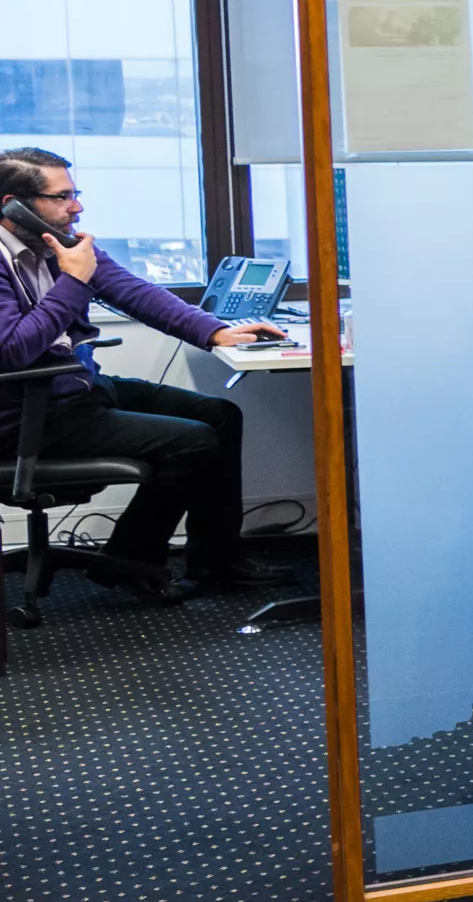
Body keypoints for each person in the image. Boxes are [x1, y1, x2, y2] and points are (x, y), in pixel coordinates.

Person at [0, 148, 289, 600]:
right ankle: (133, 561)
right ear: (12, 204)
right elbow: (14, 349)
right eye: (62, 197)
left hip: (72, 391)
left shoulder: (60, 246)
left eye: (76, 195)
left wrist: (215, 332)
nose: (76, 208)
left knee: (220, 415)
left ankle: (218, 562)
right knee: (194, 441)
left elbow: (133, 292)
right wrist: (73, 282)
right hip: (24, 416)